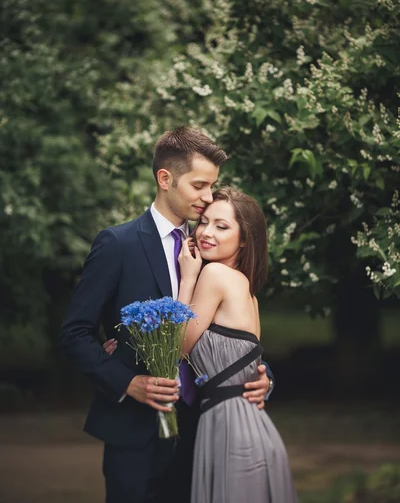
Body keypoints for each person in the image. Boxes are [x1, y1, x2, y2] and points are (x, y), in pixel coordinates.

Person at [60, 126, 273, 503]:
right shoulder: (118, 245)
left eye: (212, 186)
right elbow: (74, 333)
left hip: (202, 431)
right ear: (165, 179)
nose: (208, 198)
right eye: (199, 186)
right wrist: (127, 382)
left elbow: (233, 329)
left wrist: (262, 377)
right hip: (134, 433)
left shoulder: (210, 246)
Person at [177, 186, 298, 503]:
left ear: (244, 239)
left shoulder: (214, 274)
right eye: (204, 222)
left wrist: (188, 276)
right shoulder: (249, 292)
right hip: (250, 426)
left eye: (222, 226)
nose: (206, 233)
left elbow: (175, 347)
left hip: (231, 430)